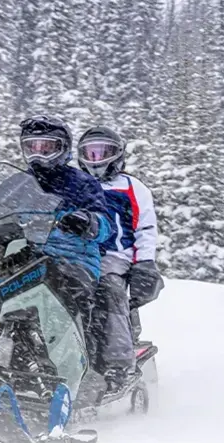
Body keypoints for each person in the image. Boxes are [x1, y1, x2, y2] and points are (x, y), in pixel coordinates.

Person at [76, 126, 164, 392]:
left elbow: (145, 228)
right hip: (76, 255)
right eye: (90, 153)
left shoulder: (131, 187)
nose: (96, 160)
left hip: (114, 256)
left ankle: (118, 363)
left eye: (103, 152)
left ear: (117, 155)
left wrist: (145, 263)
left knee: (108, 289)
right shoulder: (75, 185)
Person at [15, 115, 115, 325]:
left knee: (64, 289)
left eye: (47, 148)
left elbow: (105, 224)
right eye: (32, 148)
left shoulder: (82, 183)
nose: (38, 155)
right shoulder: (15, 184)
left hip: (71, 258)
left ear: (63, 149)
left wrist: (88, 221)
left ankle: (78, 336)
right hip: (23, 256)